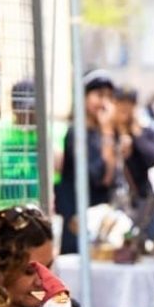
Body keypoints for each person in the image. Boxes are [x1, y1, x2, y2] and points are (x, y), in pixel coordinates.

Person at [55, 69, 117, 254]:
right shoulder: (77, 133)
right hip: (77, 217)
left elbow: (112, 179)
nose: (104, 102)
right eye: (99, 95)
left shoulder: (106, 133)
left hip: (98, 218)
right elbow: (98, 175)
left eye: (108, 97)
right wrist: (107, 132)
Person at [112, 85, 154, 241]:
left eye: (129, 105)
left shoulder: (143, 131)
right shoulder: (107, 132)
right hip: (116, 201)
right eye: (121, 103)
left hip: (143, 199)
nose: (125, 109)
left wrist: (135, 135)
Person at [0, 78, 39, 209]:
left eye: (33, 110)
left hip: (39, 216)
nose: (29, 115)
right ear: (14, 107)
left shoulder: (48, 133)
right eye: (25, 110)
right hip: (2, 215)